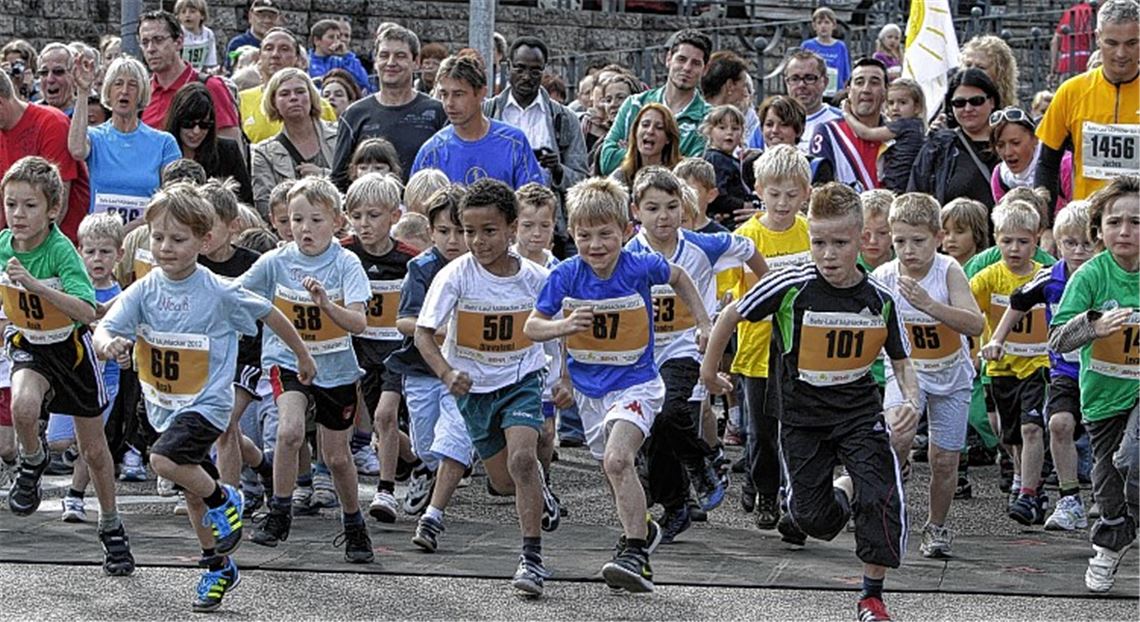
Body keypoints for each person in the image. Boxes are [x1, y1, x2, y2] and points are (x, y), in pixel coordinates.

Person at [701, 182, 918, 622]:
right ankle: (842, 489)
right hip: (801, 419)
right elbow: (731, 315)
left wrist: (909, 401)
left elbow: (901, 361)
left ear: (861, 240)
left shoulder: (879, 298)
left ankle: (872, 597)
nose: (829, 254)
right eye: (819, 242)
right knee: (811, 519)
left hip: (858, 413)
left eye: (840, 243)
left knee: (880, 497)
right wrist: (709, 371)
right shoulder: (790, 283)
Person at [94, 182, 313, 610]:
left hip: (207, 405)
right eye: (158, 237)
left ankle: (225, 496)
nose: (165, 247)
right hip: (161, 403)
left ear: (204, 240)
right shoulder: (145, 288)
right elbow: (107, 326)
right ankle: (217, 565)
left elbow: (269, 311)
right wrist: (109, 346)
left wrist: (302, 354)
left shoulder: (217, 290)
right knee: (190, 490)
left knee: (164, 462)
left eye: (178, 239)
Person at [526, 176, 711, 594]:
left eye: (605, 234)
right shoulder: (567, 275)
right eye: (584, 235)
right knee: (613, 469)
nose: (596, 245)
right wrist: (564, 325)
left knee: (617, 460)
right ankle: (642, 528)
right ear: (571, 235)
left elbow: (679, 276)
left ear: (625, 232)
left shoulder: (638, 265)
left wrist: (703, 321)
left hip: (638, 385)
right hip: (591, 394)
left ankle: (635, 554)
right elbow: (532, 325)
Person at [414, 179, 562, 596]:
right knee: (503, 482)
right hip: (474, 390)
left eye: (489, 231)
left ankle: (531, 560)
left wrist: (562, 378)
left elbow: (558, 333)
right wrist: (446, 373)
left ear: (512, 228)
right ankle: (539, 491)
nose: (477, 241)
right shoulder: (454, 277)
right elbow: (423, 334)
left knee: (521, 459)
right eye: (468, 231)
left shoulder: (535, 278)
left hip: (522, 380)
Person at [1, 156, 133, 575]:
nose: (18, 215)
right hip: (31, 346)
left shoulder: (61, 253)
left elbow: (87, 310)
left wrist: (36, 286)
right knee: (23, 406)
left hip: (71, 351)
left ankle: (111, 527)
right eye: (11, 204)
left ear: (53, 210)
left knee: (94, 451)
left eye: (29, 206)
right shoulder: (4, 243)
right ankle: (32, 460)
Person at [625, 166, 766, 542]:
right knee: (654, 429)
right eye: (653, 208)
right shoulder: (626, 255)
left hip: (688, 345)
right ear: (636, 210)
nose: (663, 217)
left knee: (672, 411)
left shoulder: (704, 245)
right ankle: (676, 507)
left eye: (671, 207)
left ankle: (700, 461)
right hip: (642, 353)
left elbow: (750, 250)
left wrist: (766, 296)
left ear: (683, 209)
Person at [241, 177, 375, 563]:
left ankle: (354, 524)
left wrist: (326, 305)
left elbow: (359, 323)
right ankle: (279, 512)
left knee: (335, 456)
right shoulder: (276, 261)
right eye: (296, 220)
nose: (305, 229)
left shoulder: (346, 263)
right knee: (289, 431)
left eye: (315, 220)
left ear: (336, 221)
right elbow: (236, 291)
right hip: (289, 363)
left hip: (335, 368)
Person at [872, 193, 984, 558]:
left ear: (937, 237)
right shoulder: (884, 276)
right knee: (896, 436)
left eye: (918, 241)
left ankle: (936, 527)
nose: (908, 251)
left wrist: (930, 306)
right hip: (907, 372)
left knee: (944, 459)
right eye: (900, 241)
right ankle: (890, 505)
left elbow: (976, 323)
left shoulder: (948, 269)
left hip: (951, 375)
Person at [1049, 174, 1139, 593]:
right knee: (1108, 477)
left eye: (1136, 222)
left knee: (1132, 457)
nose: (1125, 231)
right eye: (1115, 221)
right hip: (1103, 395)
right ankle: (1112, 541)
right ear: (1099, 229)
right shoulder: (1090, 276)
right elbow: (1057, 338)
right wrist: (1094, 325)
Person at [990, 202, 1096, 532]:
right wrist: (997, 339)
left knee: (1113, 442)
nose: (1078, 252)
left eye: (1086, 244)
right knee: (1059, 424)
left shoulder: (1108, 276)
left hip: (1108, 373)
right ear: (1056, 243)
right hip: (1066, 369)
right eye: (1070, 243)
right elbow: (1018, 303)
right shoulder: (1050, 279)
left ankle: (1113, 497)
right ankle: (1069, 499)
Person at [382, 185, 474, 551]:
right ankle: (425, 468)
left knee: (454, 438)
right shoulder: (421, 268)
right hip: (421, 368)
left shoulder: (480, 266)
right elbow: (403, 321)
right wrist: (436, 329)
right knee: (426, 444)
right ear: (430, 232)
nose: (452, 240)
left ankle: (434, 515)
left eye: (460, 231)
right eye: (443, 231)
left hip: (466, 369)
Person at [731, 145, 814, 528]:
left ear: (806, 193)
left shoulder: (811, 235)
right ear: (758, 189)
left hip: (801, 350)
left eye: (792, 194)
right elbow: (729, 297)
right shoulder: (745, 237)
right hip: (757, 349)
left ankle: (792, 493)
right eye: (774, 193)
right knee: (761, 430)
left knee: (796, 428)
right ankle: (762, 485)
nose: (782, 203)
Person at [339, 174, 420, 523]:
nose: (363, 224)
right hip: (356, 348)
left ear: (394, 216)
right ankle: (420, 463)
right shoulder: (343, 253)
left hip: (396, 351)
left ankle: (385, 491)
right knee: (379, 427)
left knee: (386, 416)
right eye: (356, 216)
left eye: (373, 215)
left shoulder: (410, 260)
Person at [975, 200, 1053, 525]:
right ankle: (1022, 476)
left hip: (1038, 365)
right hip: (1001, 367)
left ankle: (1029, 493)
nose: (1015, 248)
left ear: (1037, 239)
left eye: (1023, 241)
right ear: (996, 239)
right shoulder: (987, 278)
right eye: (1007, 241)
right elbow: (965, 308)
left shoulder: (1046, 277)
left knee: (1031, 427)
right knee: (1009, 435)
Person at [484, 36, 588, 252]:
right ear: (508, 67)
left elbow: (581, 179)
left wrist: (557, 169)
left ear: (544, 72)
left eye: (535, 70)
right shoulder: (488, 112)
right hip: (497, 226)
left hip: (552, 232)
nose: (526, 77)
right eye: (520, 68)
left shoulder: (565, 119)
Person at [53, 212, 123, 523]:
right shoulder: (71, 287)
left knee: (91, 444)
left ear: (119, 255)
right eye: (90, 251)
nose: (97, 259)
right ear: (79, 252)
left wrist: (123, 351)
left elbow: (129, 334)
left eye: (105, 252)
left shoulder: (121, 296)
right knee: (58, 442)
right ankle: (70, 462)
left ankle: (75, 497)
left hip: (105, 379)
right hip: (69, 376)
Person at [1036, 0, 1140, 205]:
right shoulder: (1071, 92)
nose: (1121, 53)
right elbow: (1047, 165)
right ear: (1097, 37)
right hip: (1086, 223)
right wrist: (1045, 227)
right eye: (1112, 43)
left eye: (1131, 43)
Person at [330, 25, 446, 191]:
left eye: (400, 56)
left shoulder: (438, 112)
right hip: (370, 213)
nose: (391, 63)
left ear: (416, 62)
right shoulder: (354, 115)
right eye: (384, 55)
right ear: (376, 61)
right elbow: (338, 180)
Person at [68, 56, 181, 225]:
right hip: (101, 241)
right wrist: (83, 92)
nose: (124, 91)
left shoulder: (164, 143)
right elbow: (76, 150)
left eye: (133, 85)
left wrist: (128, 230)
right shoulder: (95, 137)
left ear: (142, 92)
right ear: (109, 91)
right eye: (118, 83)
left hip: (145, 239)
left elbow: (173, 200)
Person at [411, 54, 544, 189]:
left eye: (458, 94)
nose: (449, 103)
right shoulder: (431, 153)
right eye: (444, 94)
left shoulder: (514, 143)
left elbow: (534, 203)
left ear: (481, 93)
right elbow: (415, 205)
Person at [598, 30, 712, 176]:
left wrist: (632, 150)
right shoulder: (634, 104)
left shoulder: (708, 118)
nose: (687, 68)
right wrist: (671, 157)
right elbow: (607, 161)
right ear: (669, 58)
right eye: (681, 59)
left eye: (696, 63)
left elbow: (689, 175)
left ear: (705, 69)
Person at [0, 70, 90, 242]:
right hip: (18, 245)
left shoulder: (51, 122)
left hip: (61, 248)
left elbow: (59, 201)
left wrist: (29, 252)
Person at [138, 11, 241, 143]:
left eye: (158, 40)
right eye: (145, 42)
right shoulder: (142, 94)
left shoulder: (210, 87)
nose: (150, 49)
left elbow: (231, 149)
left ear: (179, 42)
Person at [249, 68, 338, 218]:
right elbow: (265, 205)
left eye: (300, 91)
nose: (293, 98)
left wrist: (322, 175)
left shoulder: (340, 134)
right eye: (284, 94)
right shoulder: (264, 153)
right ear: (273, 102)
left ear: (312, 96)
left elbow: (355, 181)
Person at [908, 68, 1001, 209]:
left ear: (992, 101)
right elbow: (915, 201)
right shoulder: (937, 147)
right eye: (959, 103)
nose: (968, 108)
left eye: (976, 101)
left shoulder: (1010, 142)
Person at [237, 28, 338, 144]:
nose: (275, 54)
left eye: (284, 49)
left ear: (297, 58)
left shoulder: (319, 105)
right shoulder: (241, 100)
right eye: (269, 49)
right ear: (259, 57)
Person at [163, 82, 253, 204]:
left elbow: (246, 202)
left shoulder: (227, 152)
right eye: (188, 124)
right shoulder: (161, 150)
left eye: (204, 125)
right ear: (176, 122)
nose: (196, 131)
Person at [810, 58, 889, 192]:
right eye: (859, 82)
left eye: (874, 83)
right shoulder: (829, 133)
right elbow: (819, 191)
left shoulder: (896, 134)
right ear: (849, 90)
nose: (866, 89)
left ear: (885, 91)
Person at [842, 78, 926, 193]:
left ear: (917, 107)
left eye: (902, 102)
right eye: (891, 103)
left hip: (897, 185)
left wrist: (846, 114)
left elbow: (866, 133)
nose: (895, 108)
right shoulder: (918, 125)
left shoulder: (904, 124)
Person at [990, 106, 1072, 214]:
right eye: (1000, 145)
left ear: (1035, 138)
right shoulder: (999, 177)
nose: (1008, 152)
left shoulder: (1064, 165)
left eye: (1015, 143)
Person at [699, 105, 752, 226]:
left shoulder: (732, 159)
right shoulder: (716, 159)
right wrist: (743, 205)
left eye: (735, 128)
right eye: (722, 128)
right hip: (725, 220)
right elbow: (718, 196)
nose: (729, 132)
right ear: (710, 131)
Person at [782, 50, 842, 154]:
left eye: (809, 78)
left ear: (825, 82)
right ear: (786, 83)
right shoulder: (770, 124)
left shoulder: (841, 122)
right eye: (795, 79)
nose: (801, 85)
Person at [610, 103, 682, 190]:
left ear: (668, 138)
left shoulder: (680, 175)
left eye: (659, 127)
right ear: (635, 132)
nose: (650, 131)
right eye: (645, 125)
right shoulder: (621, 177)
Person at [307, 19, 371, 95]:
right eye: (331, 37)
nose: (336, 41)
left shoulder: (341, 61)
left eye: (337, 37)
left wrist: (346, 55)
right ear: (317, 40)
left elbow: (363, 82)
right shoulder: (306, 61)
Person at [802, 7, 851, 98]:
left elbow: (846, 73)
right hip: (814, 93)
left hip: (835, 94)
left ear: (834, 25)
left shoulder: (841, 46)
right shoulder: (807, 46)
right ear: (814, 26)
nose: (823, 26)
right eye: (819, 23)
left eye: (827, 22)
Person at [224, 0, 282, 73]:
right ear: (250, 16)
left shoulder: (284, 45)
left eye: (272, 16)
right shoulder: (238, 44)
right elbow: (230, 74)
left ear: (279, 19)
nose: (267, 20)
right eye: (261, 15)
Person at [1051, 1, 1096, 76]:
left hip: (1066, 63)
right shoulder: (1094, 13)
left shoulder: (1069, 12)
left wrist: (1053, 67)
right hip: (1087, 62)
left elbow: (1055, 41)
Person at [176, 0, 218, 72]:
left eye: (192, 11)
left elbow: (210, 62)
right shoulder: (176, 34)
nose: (187, 15)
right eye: (183, 12)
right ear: (178, 16)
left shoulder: (208, 34)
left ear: (202, 15)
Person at [36, 43, 77, 116]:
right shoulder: (32, 114)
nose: (50, 79)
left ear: (73, 75)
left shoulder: (87, 113)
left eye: (58, 71)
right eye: (44, 72)